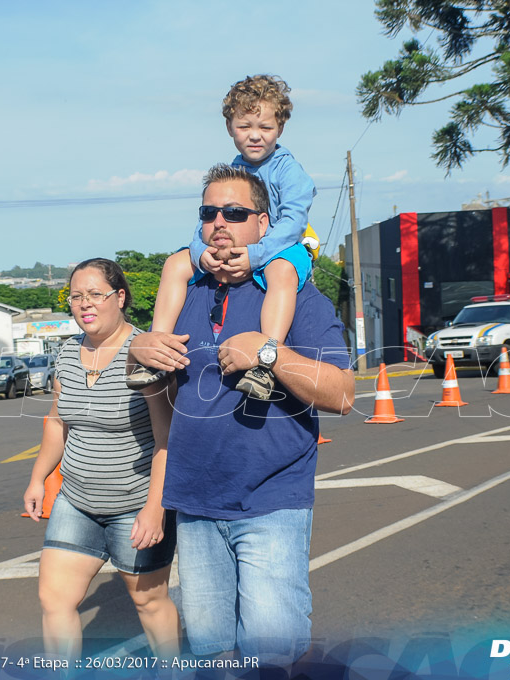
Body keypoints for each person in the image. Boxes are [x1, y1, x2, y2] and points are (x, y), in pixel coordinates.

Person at [130, 165, 355, 663]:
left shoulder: (295, 291)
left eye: (235, 212)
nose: (220, 223)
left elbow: (342, 393)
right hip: (195, 505)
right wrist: (138, 347)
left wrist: (268, 354)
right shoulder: (186, 289)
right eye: (209, 213)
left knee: (274, 654)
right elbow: (154, 389)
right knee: (213, 656)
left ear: (264, 223)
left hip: (271, 503)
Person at [22, 259, 179, 660]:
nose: (84, 304)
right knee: (54, 599)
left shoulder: (145, 352)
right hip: (77, 503)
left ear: (120, 297)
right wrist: (38, 478)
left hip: (135, 505)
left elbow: (167, 438)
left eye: (95, 294)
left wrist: (154, 508)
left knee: (151, 604)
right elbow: (58, 423)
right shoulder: (67, 354)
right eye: (76, 297)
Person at [128, 75, 317, 400]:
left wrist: (259, 253)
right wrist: (201, 251)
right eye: (245, 127)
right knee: (176, 263)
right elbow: (207, 218)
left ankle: (264, 362)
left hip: (279, 247)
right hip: (233, 248)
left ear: (280, 129)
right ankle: (158, 345)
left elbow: (294, 220)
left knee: (281, 272)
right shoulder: (231, 172)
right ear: (230, 127)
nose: (255, 136)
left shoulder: (288, 171)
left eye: (266, 128)